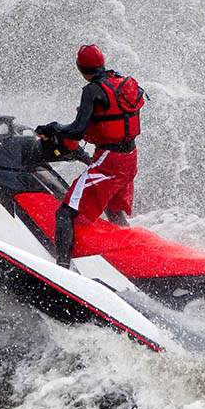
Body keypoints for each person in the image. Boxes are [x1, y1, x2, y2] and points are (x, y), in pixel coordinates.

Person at [36, 44, 146, 269]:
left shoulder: (92, 90)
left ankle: (63, 268)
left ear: (80, 69)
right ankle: (132, 256)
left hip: (110, 161)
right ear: (102, 64)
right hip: (130, 159)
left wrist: (54, 128)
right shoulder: (122, 82)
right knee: (113, 211)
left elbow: (77, 130)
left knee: (65, 214)